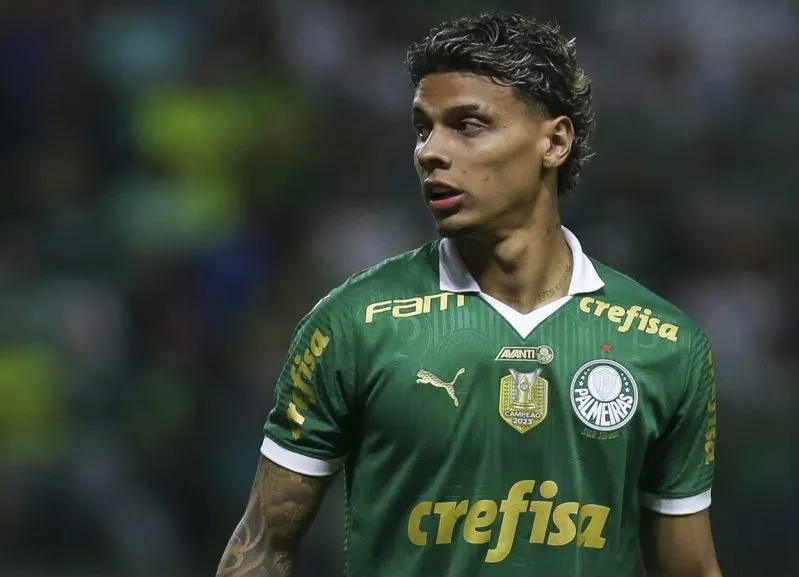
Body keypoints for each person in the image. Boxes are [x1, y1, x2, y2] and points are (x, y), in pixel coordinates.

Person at [216, 10, 722, 577]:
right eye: (422, 128)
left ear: (554, 142)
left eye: (468, 125)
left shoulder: (664, 344)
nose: (430, 152)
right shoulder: (353, 324)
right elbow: (263, 547)